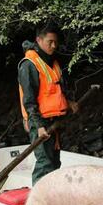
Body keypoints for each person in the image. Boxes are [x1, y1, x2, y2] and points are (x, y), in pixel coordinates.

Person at [18, 24, 79, 185]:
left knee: (54, 163)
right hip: (40, 121)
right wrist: (38, 126)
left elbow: (56, 89)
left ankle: (52, 198)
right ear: (39, 40)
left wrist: (69, 102)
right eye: (50, 42)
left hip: (54, 120)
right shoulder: (29, 64)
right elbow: (29, 101)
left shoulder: (51, 62)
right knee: (44, 164)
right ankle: (38, 204)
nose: (53, 45)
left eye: (55, 42)